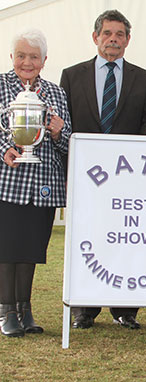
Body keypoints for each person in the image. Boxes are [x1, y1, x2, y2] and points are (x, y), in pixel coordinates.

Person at [60, 9, 146, 330]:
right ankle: (84, 309)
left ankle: (125, 309)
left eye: (120, 34)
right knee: (86, 238)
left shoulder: (143, 78)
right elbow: (66, 125)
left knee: (126, 239)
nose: (113, 40)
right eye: (107, 34)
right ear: (95, 37)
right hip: (85, 177)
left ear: (128, 40)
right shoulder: (71, 75)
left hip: (128, 178)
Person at [0, 29, 71, 337]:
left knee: (30, 249)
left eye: (33, 57)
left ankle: (25, 309)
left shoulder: (56, 92)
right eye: (20, 56)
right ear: (12, 57)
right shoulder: (1, 86)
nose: (26, 62)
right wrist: (4, 150)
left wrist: (58, 131)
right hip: (9, 182)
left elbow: (69, 141)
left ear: (44, 60)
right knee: (7, 249)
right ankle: (6, 311)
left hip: (43, 184)